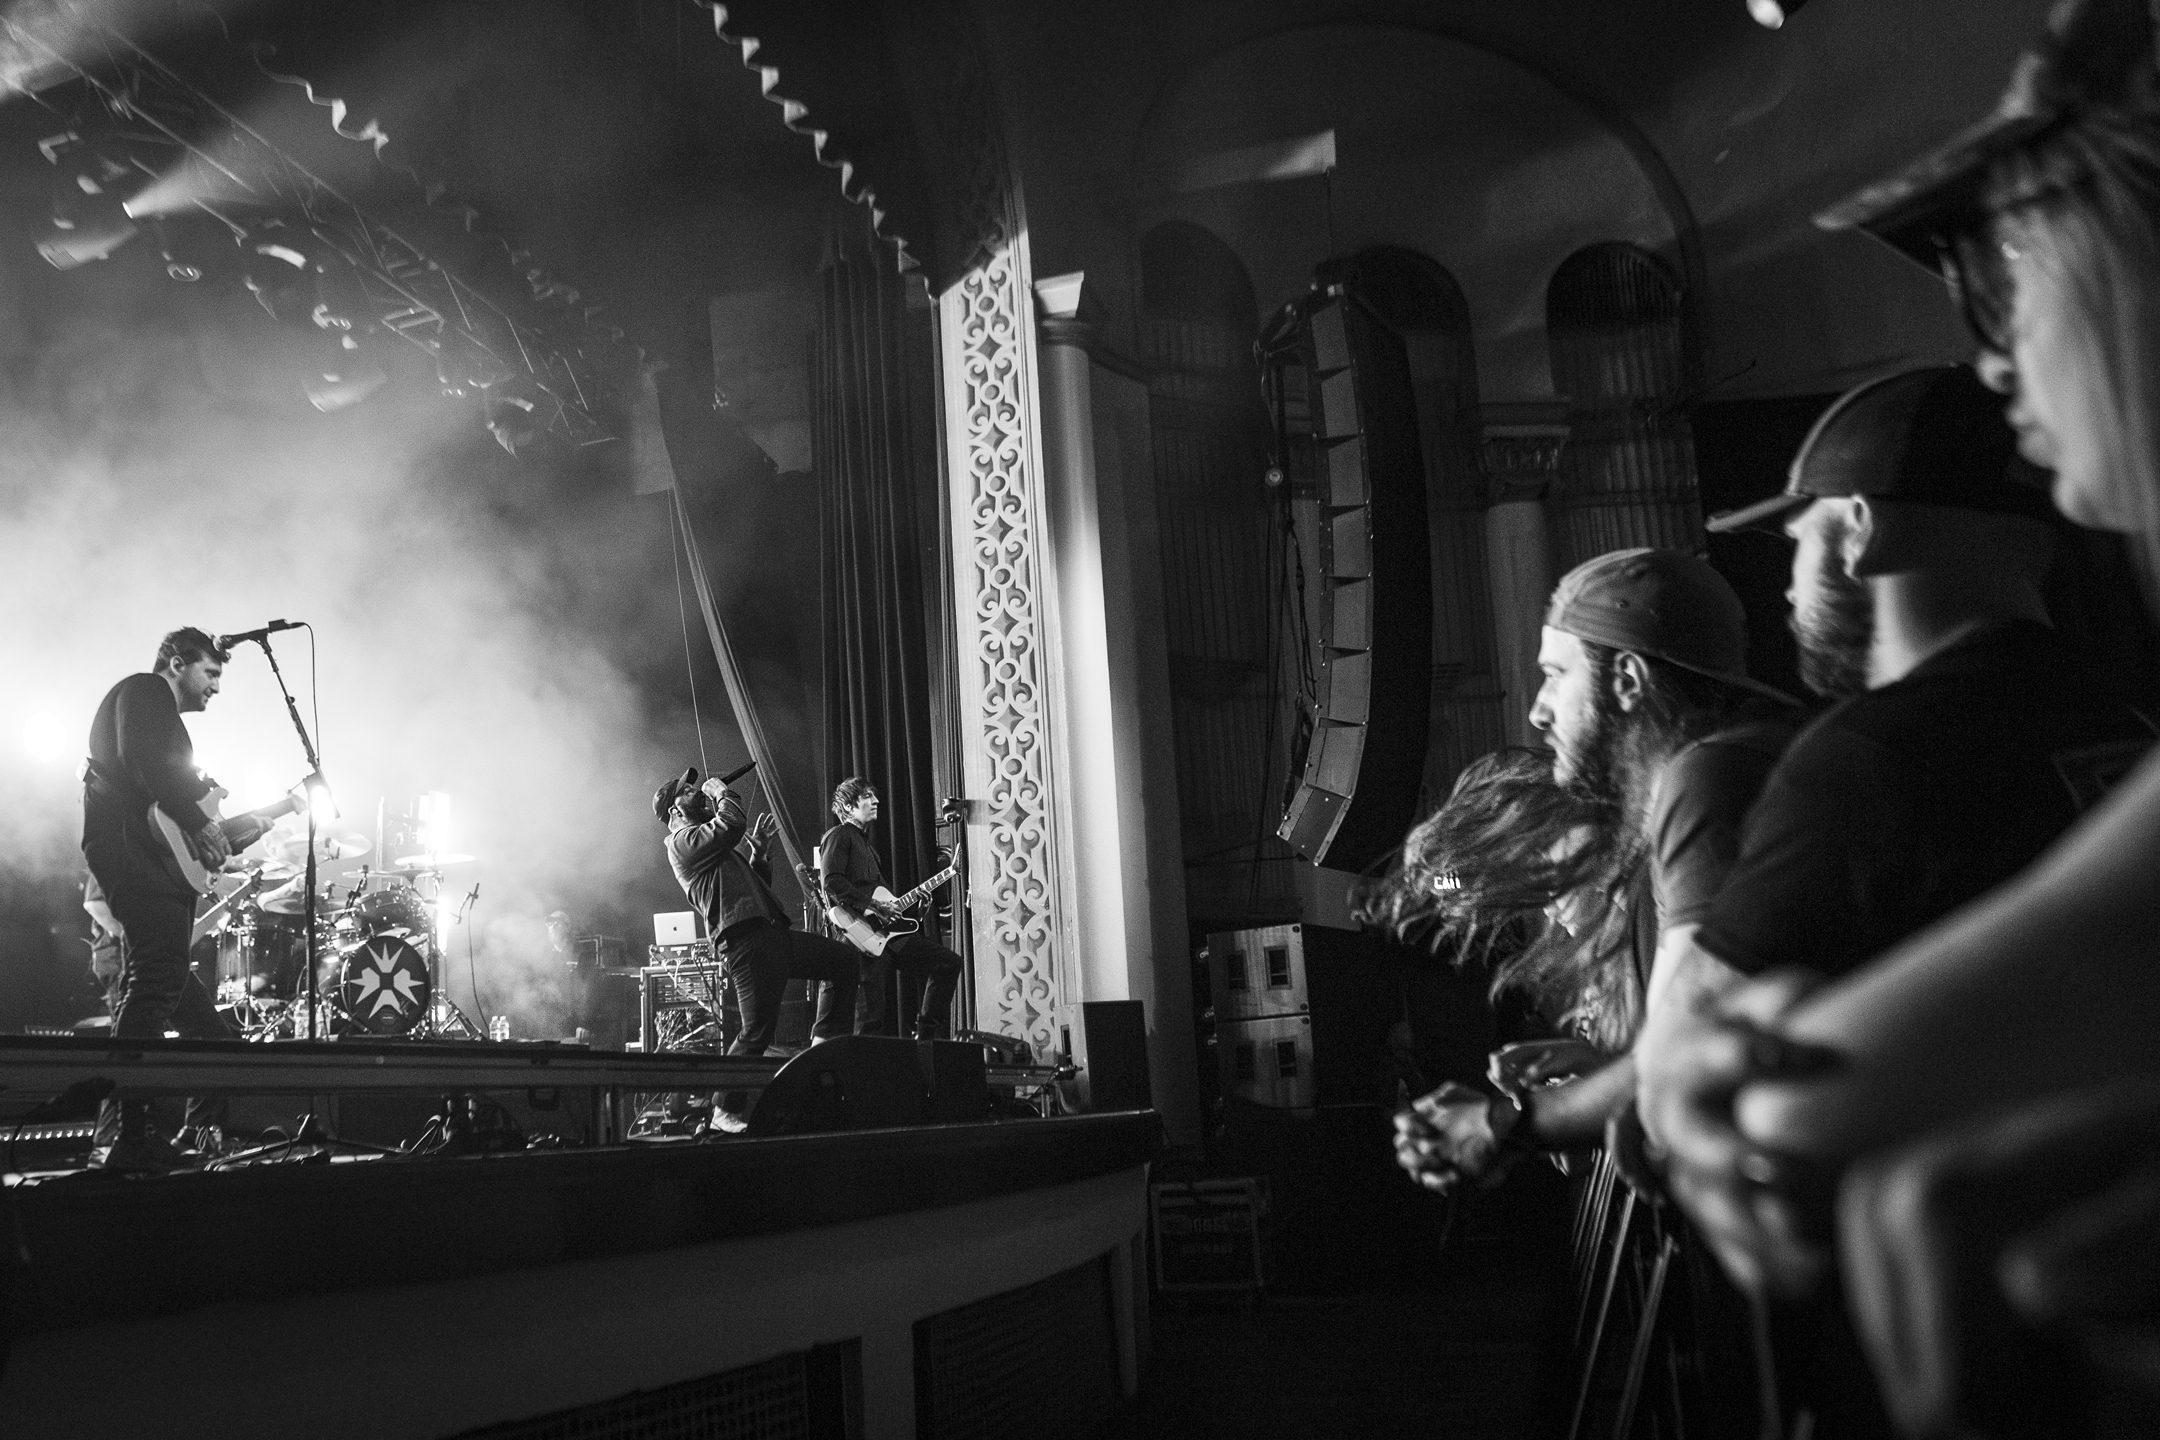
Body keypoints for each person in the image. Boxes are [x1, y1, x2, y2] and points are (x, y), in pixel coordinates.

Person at [1648, 2, 2160, 1429]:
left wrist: (1712, 1076)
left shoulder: (1854, 758)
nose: (1993, 359)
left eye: (2005, 282)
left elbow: (1800, 1103)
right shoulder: (2110, 696)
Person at [1392, 549, 1798, 1193]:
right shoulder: (1730, 766)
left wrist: (1508, 1123)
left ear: (1629, 680)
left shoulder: (1705, 777)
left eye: (1556, 674)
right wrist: (1603, 1071)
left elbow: (1693, 1047)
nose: (1538, 711)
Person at [81, 628, 251, 1170]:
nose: (216, 687)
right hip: (130, 851)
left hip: (151, 857)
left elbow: (161, 782)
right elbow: (146, 761)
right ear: (177, 664)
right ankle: (124, 1137)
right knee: (155, 977)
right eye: (211, 673)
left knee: (183, 997)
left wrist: (213, 831)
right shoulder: (145, 690)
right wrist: (200, 823)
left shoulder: (158, 713)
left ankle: (194, 1134)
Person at [655, 768, 857, 1063]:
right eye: (686, 792)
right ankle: (726, 1094)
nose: (695, 792)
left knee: (844, 961)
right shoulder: (681, 842)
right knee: (756, 1033)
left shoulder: (707, 847)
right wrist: (721, 793)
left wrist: (759, 855)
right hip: (746, 943)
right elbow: (731, 823)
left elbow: (755, 892)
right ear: (675, 811)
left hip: (769, 936)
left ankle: (823, 1048)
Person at [816, 778, 962, 1041]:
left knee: (948, 962)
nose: (876, 801)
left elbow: (887, 905)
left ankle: (925, 1035)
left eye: (874, 795)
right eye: (867, 796)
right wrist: (873, 905)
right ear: (848, 806)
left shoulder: (868, 848)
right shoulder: (839, 835)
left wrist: (917, 910)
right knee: (871, 1019)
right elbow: (831, 881)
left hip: (888, 937)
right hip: (861, 936)